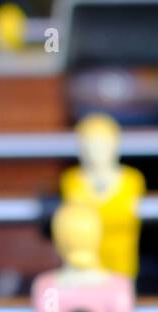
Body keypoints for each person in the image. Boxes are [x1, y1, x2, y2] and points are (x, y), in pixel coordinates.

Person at [59, 113, 146, 279]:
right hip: (82, 272)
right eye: (90, 144)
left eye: (103, 143)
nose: (97, 150)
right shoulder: (70, 182)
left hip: (123, 268)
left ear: (115, 144)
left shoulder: (133, 181)